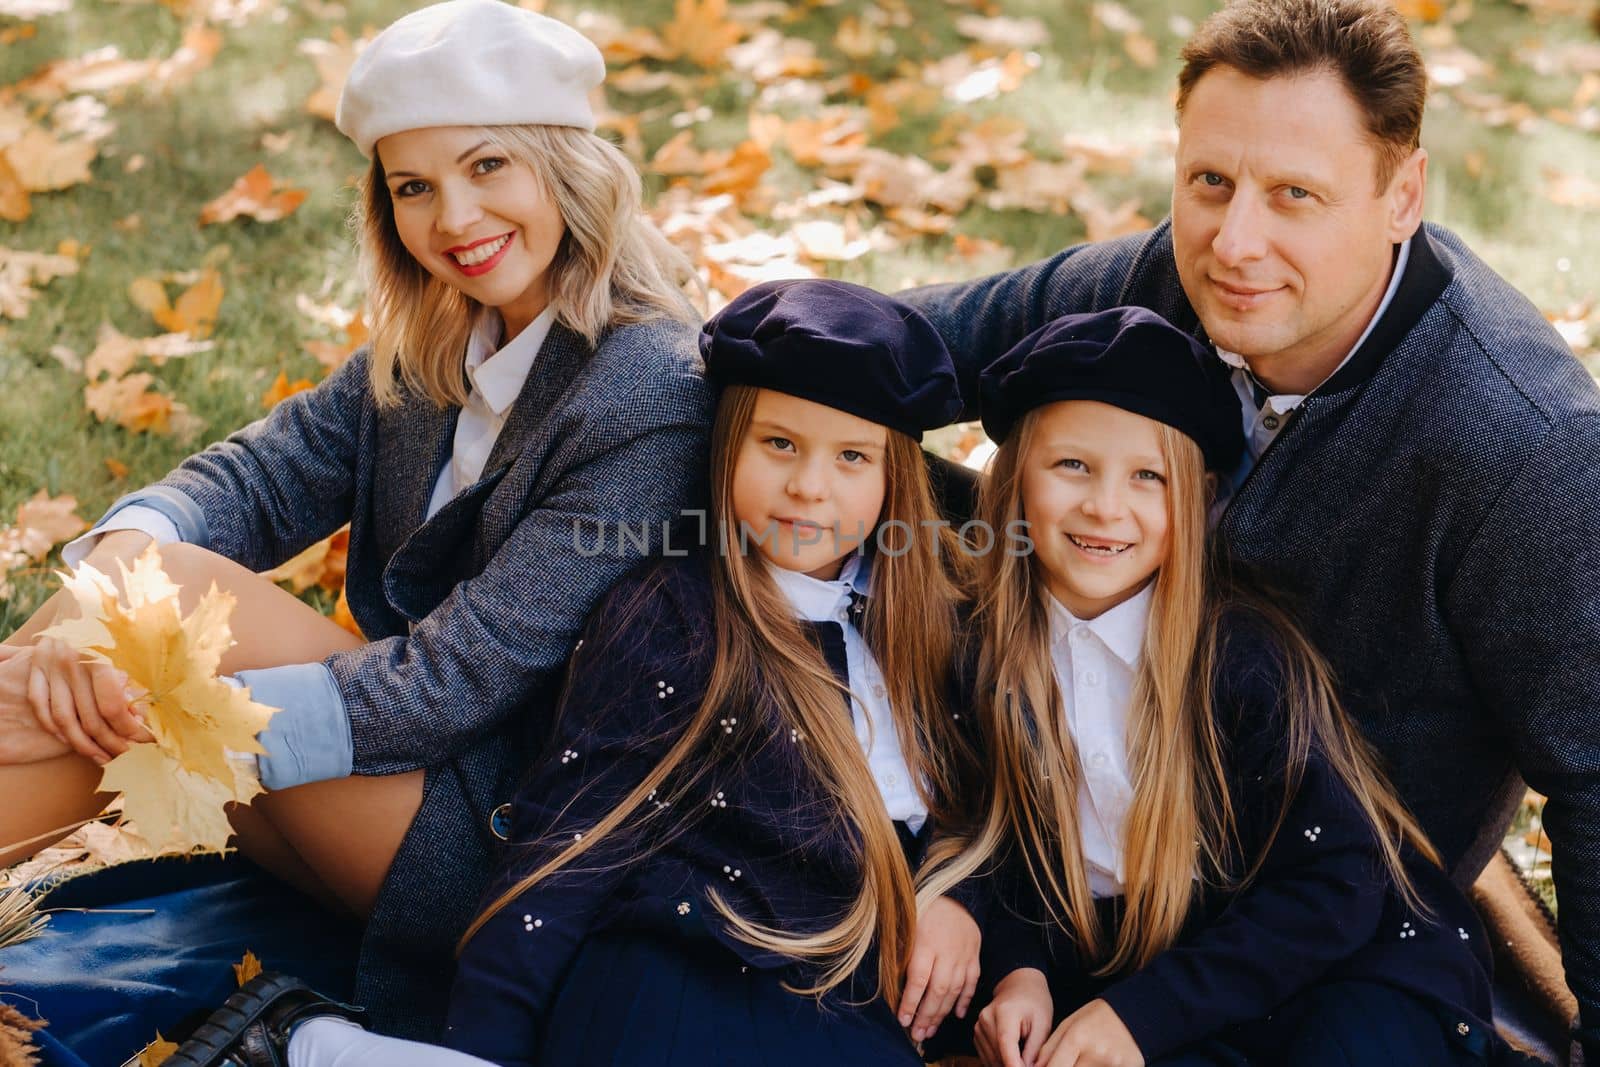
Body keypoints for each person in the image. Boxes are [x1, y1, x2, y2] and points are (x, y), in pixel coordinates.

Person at [897, 0, 1600, 1053]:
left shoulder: (1524, 446)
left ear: (1401, 192)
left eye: (1294, 196)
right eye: (1208, 182)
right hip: (1062, 865)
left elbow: (1593, 772)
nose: (1234, 242)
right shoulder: (1152, 288)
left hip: (1334, 912)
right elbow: (891, 349)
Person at [0, 0, 710, 1038]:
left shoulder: (646, 386)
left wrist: (184, 696)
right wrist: (110, 570)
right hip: (367, 787)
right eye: (414, 187)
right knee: (128, 606)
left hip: (496, 847)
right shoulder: (435, 345)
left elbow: (461, 677)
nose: (453, 219)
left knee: (166, 620)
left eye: (487, 168)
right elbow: (251, 478)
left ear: (567, 165)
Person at [166, 279, 989, 1067]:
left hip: (843, 994)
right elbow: (570, 848)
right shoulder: (674, 618)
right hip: (678, 973)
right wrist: (480, 1049)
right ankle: (322, 1045)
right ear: (729, 444)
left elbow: (1002, 811)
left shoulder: (933, 621)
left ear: (895, 478)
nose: (811, 486)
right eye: (780, 444)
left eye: (852, 456)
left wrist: (959, 898)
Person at [941, 306, 1509, 1067]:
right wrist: (1024, 972)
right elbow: (1002, 850)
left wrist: (1142, 1015)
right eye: (1072, 465)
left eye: (1147, 477)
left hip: (1340, 957)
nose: (1106, 505)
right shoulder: (983, 652)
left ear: (1196, 501)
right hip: (1161, 970)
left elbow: (1337, 883)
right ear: (1011, 481)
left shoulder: (1240, 660)